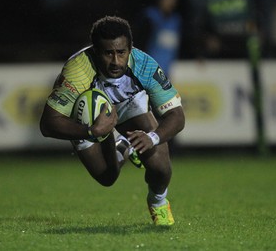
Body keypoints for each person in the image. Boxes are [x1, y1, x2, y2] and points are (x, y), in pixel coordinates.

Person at [40, 16, 185, 226]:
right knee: (107, 177)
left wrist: (152, 138)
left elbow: (177, 116)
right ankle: (122, 146)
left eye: (121, 52)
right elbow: (47, 124)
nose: (116, 61)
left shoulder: (144, 65)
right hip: (90, 116)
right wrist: (90, 131)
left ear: (130, 48)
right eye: (108, 53)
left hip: (128, 104)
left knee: (161, 165)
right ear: (95, 51)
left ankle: (158, 202)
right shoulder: (77, 72)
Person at [136, 0, 182, 79]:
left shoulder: (176, 21)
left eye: (173, 0)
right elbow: (140, 39)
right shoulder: (150, 17)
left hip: (167, 69)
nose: (170, 2)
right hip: (148, 67)